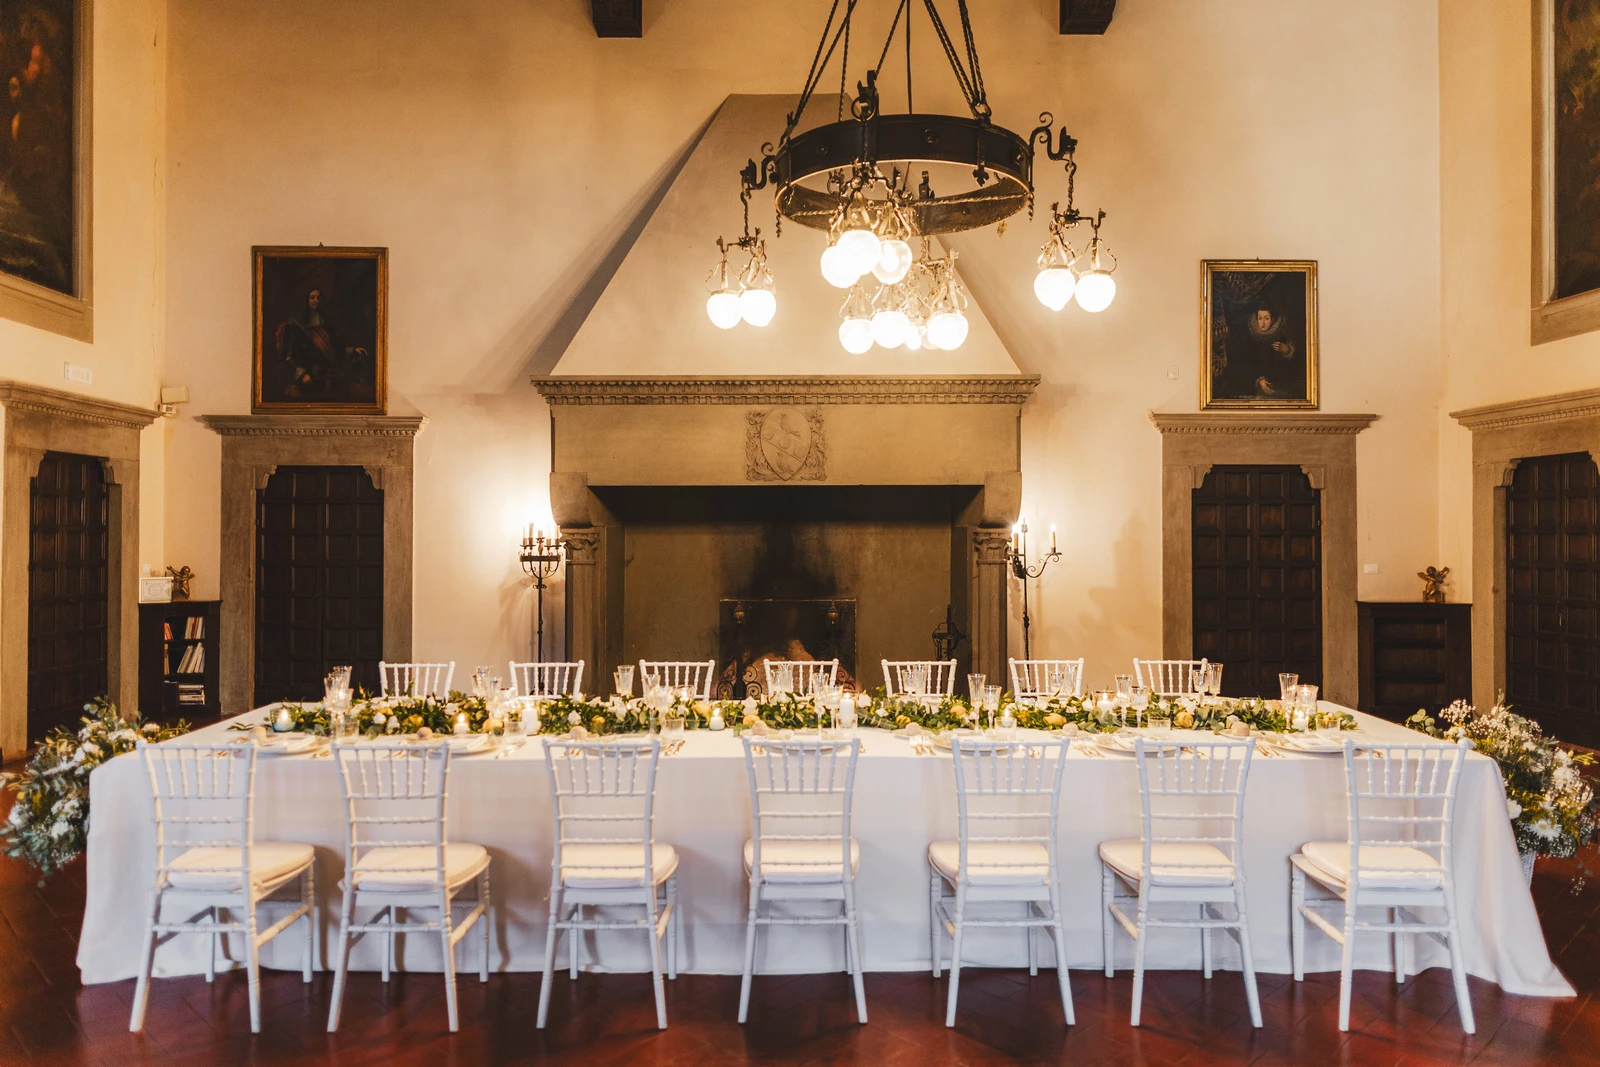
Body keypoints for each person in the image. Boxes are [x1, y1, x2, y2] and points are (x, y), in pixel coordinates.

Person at [273, 287, 370, 400]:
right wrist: (303, 374)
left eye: (319, 298)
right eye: (312, 297)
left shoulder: (326, 327)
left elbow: (334, 348)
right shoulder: (294, 327)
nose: (316, 301)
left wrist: (352, 349)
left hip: (326, 375)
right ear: (307, 301)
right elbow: (291, 354)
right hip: (306, 378)